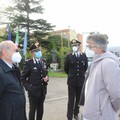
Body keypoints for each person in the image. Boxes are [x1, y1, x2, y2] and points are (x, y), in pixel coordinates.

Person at [82, 34, 120, 120]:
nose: (88, 49)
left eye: (90, 46)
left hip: (102, 114)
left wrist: (110, 108)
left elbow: (116, 92)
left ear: (99, 47)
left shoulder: (108, 63)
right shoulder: (96, 61)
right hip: (93, 113)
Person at [21, 43, 49, 120]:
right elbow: (22, 78)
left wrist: (47, 78)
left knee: (40, 110)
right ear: (32, 53)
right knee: (33, 109)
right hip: (33, 90)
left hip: (42, 90)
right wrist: (28, 87)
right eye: (36, 51)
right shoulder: (29, 63)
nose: (38, 52)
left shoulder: (43, 61)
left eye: (39, 50)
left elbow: (46, 73)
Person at [0, 41, 27, 120]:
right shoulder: (1, 72)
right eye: (16, 51)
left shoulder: (14, 68)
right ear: (5, 51)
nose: (18, 54)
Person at [64, 39, 88, 120]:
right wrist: (71, 75)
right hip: (72, 81)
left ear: (79, 46)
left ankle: (76, 114)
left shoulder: (83, 56)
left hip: (80, 81)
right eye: (73, 46)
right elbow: (66, 69)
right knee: (71, 100)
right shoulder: (69, 56)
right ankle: (69, 116)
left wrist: (79, 75)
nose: (74, 47)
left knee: (78, 99)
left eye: (76, 45)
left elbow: (85, 68)